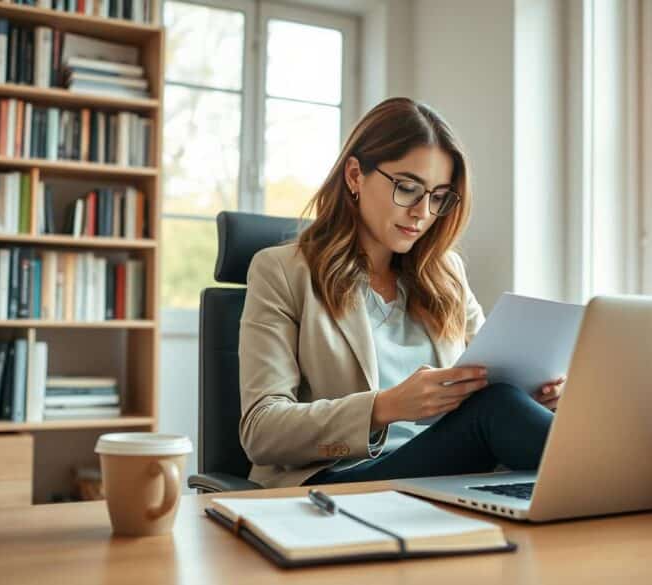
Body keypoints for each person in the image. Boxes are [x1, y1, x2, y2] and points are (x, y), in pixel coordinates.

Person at [238, 97, 564, 489]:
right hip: (343, 482)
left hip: (449, 473)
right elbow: (261, 430)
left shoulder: (447, 276)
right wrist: (384, 408)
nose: (423, 212)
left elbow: (492, 380)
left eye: (439, 196)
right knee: (499, 409)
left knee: (510, 404)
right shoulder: (282, 272)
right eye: (408, 188)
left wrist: (539, 396)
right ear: (355, 175)